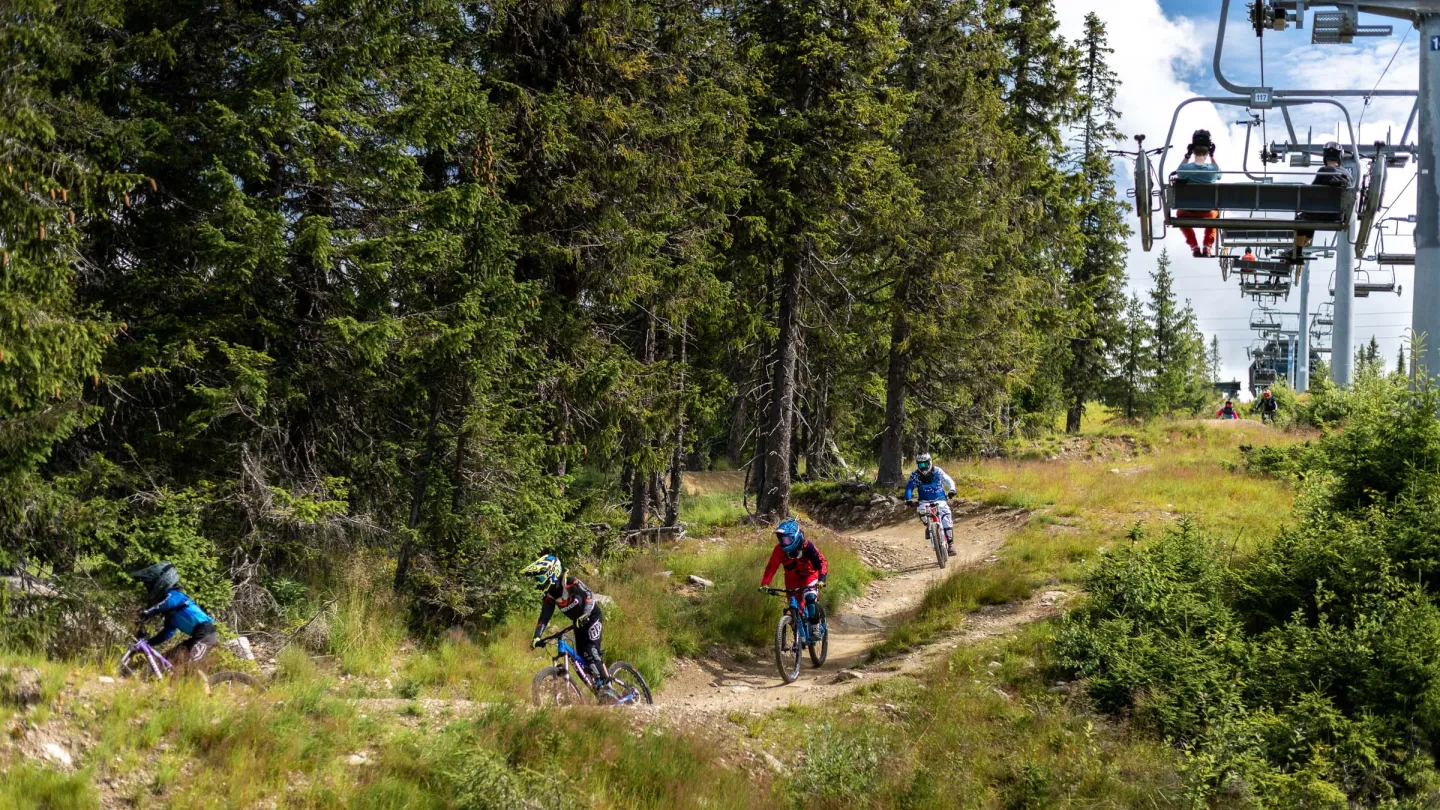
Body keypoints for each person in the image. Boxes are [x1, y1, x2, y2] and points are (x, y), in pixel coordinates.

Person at [522, 554, 609, 690]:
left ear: (552, 573)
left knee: (590, 651)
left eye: (541, 578)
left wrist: (585, 614)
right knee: (581, 659)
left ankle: (607, 685)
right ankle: (599, 690)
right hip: (578, 623)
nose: (539, 582)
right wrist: (537, 637)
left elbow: (589, 595)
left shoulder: (571, 583)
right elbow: (544, 618)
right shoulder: (550, 596)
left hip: (592, 616)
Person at [128, 562, 218, 669]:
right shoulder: (171, 615)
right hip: (196, 636)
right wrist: (150, 642)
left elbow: (169, 602)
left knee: (191, 666)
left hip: (206, 634)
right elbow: (167, 633)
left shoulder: (175, 595)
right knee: (166, 662)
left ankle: (201, 685)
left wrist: (149, 612)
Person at [760, 519, 828, 637]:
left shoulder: (807, 546)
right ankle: (798, 634)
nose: (784, 543)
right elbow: (771, 567)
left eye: (787, 539)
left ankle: (815, 627)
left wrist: (822, 579)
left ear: (795, 537)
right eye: (781, 540)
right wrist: (765, 584)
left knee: (810, 598)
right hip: (792, 580)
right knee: (793, 607)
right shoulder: (779, 550)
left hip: (809, 576)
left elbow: (822, 562)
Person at [1293, 142, 1351, 261]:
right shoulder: (1348, 175)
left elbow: (1311, 191)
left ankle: (1297, 249)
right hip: (1337, 216)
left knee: (1302, 219)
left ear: (1325, 157)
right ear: (1340, 157)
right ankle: (1298, 249)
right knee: (1309, 219)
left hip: (1319, 214)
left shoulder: (1324, 170)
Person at [1175, 130, 1221, 258]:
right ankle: (1207, 247)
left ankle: (1194, 246)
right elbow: (1219, 175)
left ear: (1193, 151)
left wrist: (1187, 155)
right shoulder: (1213, 170)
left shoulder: (1186, 169)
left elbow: (1178, 172)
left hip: (1187, 212)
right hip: (1208, 212)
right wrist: (1212, 156)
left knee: (1179, 214)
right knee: (1215, 215)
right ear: (1208, 152)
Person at [905, 452, 958, 554]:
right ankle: (928, 526)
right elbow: (909, 487)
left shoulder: (937, 471)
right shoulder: (915, 475)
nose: (923, 467)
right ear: (917, 464)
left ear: (930, 462)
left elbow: (948, 480)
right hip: (924, 501)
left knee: (946, 518)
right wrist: (908, 499)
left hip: (940, 499)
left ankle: (950, 545)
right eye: (920, 464)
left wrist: (952, 490)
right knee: (921, 510)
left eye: (925, 464)